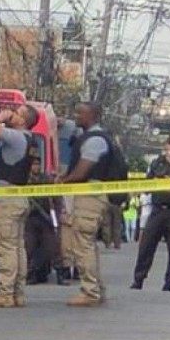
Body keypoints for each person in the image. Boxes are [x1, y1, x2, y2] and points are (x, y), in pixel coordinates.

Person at [0, 104, 39, 309]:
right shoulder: (31, 140)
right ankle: (18, 293)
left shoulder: (16, 137)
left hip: (8, 199)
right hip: (19, 197)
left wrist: (2, 116)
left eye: (16, 111)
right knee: (17, 247)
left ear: (23, 120)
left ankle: (5, 293)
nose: (11, 112)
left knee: (5, 246)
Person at [59, 101, 112, 307]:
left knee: (82, 244)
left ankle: (90, 291)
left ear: (92, 115)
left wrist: (62, 181)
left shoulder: (95, 140)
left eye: (80, 113)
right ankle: (96, 288)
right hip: (89, 194)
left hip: (90, 196)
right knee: (86, 244)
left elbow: (82, 172)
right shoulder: (89, 136)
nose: (77, 116)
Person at [130, 134, 170, 291]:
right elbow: (148, 185)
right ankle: (138, 279)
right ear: (167, 145)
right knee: (146, 246)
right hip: (158, 209)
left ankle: (169, 282)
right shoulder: (156, 163)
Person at [24, 152, 68, 285]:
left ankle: (60, 274)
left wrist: (59, 211)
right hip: (30, 218)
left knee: (52, 247)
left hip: (45, 218)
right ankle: (30, 274)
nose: (36, 167)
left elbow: (56, 196)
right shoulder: (25, 180)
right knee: (29, 248)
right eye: (34, 164)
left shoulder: (45, 179)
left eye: (38, 164)